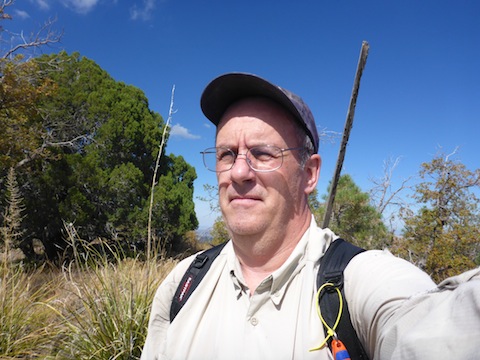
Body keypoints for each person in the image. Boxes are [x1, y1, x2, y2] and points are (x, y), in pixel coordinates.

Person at [141, 73, 480, 360]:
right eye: (226, 155)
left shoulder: (357, 285)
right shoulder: (183, 283)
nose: (239, 171)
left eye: (262, 153)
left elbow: (431, 328)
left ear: (309, 173)